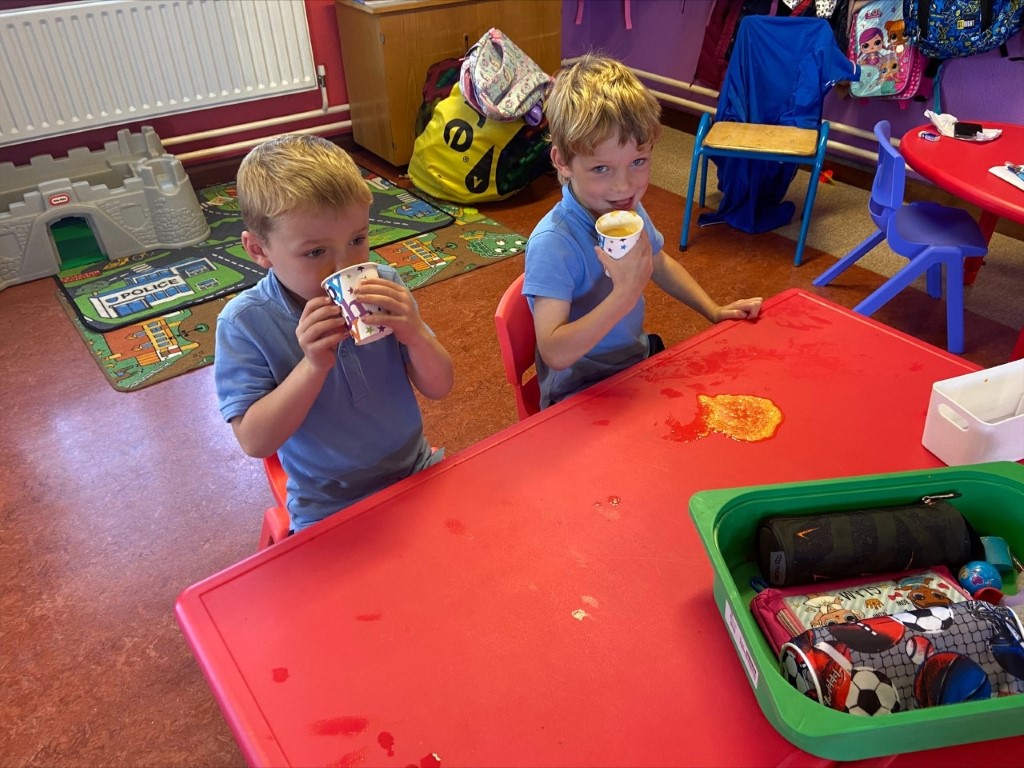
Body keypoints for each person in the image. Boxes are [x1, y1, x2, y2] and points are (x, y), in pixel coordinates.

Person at [214, 134, 454, 533]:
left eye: (358, 240)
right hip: (327, 502)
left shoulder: (386, 284)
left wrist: (414, 333)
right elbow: (255, 441)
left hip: (414, 467)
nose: (345, 265)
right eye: (315, 252)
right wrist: (312, 366)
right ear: (259, 250)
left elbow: (441, 386)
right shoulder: (245, 324)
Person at [523, 54, 762, 409]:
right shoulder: (553, 244)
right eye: (601, 168)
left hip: (632, 366)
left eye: (638, 162)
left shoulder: (624, 209)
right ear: (562, 163)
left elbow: (659, 262)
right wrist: (625, 294)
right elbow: (555, 352)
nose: (624, 186)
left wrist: (712, 310)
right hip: (579, 394)